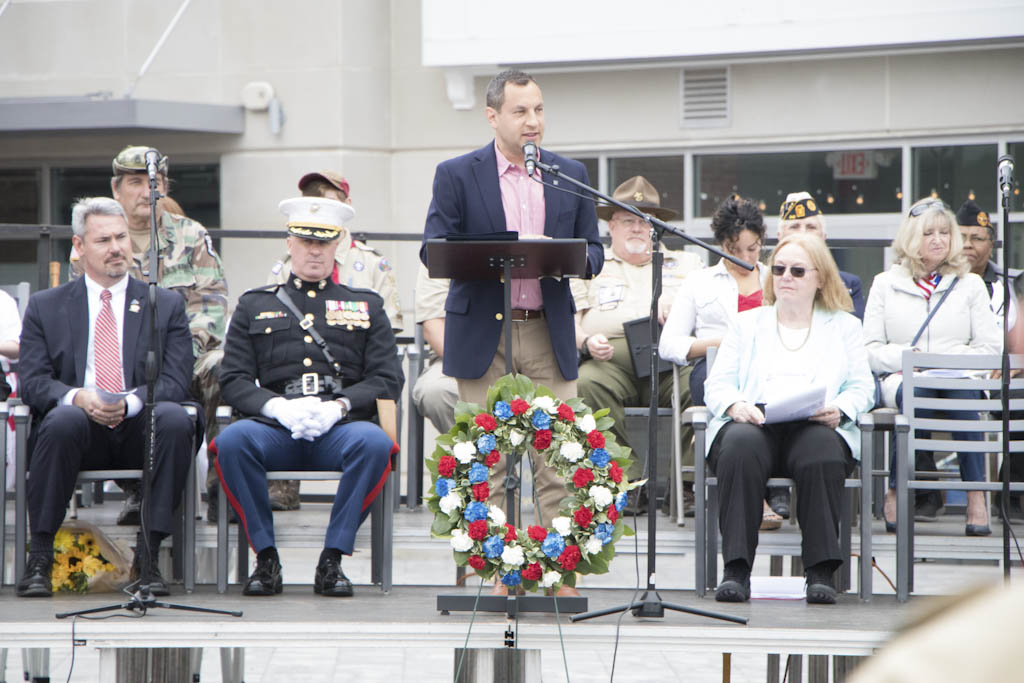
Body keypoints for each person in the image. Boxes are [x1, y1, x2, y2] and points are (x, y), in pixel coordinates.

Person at [421, 68, 602, 596]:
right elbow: (433, 248)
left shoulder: (568, 172)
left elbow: (593, 251)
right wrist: (491, 256)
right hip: (483, 332)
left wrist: (563, 257)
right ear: (493, 115)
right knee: (486, 458)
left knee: (561, 457)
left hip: (548, 330)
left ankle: (559, 571)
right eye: (521, 111)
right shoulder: (456, 174)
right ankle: (495, 572)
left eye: (540, 110)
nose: (533, 121)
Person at [214, 196, 403, 597]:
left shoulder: (365, 305)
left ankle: (332, 560)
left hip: (339, 429)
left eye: (324, 242)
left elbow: (388, 378)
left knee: (375, 444)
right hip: (276, 428)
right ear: (289, 243)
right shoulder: (254, 304)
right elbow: (232, 378)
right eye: (305, 241)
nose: (314, 250)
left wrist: (340, 406)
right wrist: (275, 406)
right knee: (231, 441)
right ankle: (265, 559)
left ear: (339, 244)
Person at [16, 197, 195, 598]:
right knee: (61, 419)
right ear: (79, 247)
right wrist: (77, 397)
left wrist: (131, 402)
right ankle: (40, 557)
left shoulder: (163, 305)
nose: (116, 247)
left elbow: (177, 380)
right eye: (103, 240)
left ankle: (148, 557)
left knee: (174, 417)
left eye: (121, 237)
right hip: (78, 433)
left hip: (139, 427)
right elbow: (33, 381)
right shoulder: (47, 307)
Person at [705, 234, 875, 604]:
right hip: (756, 420)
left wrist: (842, 408)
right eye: (779, 269)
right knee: (738, 446)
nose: (786, 277)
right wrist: (735, 405)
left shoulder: (844, 326)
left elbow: (864, 386)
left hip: (816, 422)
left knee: (823, 453)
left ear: (820, 279)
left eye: (798, 271)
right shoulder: (747, 323)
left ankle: (820, 573)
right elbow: (717, 383)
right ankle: (735, 569)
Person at [70, 146, 229, 526]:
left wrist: (178, 356)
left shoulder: (191, 236)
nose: (147, 191)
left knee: (224, 367)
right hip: (124, 365)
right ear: (116, 189)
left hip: (188, 355)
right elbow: (82, 317)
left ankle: (223, 491)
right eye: (136, 183)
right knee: (114, 377)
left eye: (155, 182)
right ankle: (141, 491)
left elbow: (213, 305)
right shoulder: (95, 239)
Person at [264, 171, 405, 512]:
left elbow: (389, 338)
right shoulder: (286, 267)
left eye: (326, 200)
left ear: (346, 207)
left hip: (353, 380)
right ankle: (282, 487)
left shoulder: (370, 265)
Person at [864, 198, 1000, 535]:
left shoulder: (970, 285)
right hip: (904, 376)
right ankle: (897, 489)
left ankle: (976, 495)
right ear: (911, 238)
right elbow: (868, 350)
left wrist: (944, 362)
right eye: (929, 233)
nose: (939, 239)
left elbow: (990, 348)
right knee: (916, 392)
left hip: (959, 378)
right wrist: (909, 360)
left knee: (963, 398)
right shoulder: (885, 283)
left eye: (944, 232)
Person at [572, 176, 702, 513]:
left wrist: (680, 316)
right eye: (628, 219)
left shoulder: (688, 266)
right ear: (611, 227)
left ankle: (685, 486)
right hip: (611, 362)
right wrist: (586, 340)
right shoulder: (589, 267)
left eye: (645, 220)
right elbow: (575, 322)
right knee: (586, 384)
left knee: (702, 386)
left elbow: (706, 319)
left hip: (672, 364)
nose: (637, 228)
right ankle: (625, 483)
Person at [659, 196, 784, 529]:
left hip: (769, 370)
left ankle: (756, 485)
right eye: (734, 249)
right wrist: (720, 342)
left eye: (753, 249)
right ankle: (755, 495)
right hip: (715, 367)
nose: (744, 258)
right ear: (720, 244)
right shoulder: (700, 282)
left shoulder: (776, 278)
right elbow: (669, 344)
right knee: (730, 392)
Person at [777, 192, 865, 320]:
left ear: (824, 237)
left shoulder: (848, 284)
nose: (803, 233)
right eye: (794, 226)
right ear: (780, 237)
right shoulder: (765, 281)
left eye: (811, 227)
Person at [411, 263, 459, 434]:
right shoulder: (444, 241)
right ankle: (474, 456)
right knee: (435, 391)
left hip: (530, 353)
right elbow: (434, 326)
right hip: (458, 356)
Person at [957, 199, 1017, 330]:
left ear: (991, 247)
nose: (967, 244)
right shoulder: (936, 282)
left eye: (976, 238)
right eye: (961, 238)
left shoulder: (1014, 285)